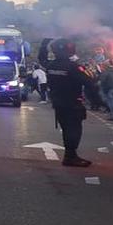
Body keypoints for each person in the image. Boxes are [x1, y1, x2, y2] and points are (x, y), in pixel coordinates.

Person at [38, 38, 92, 168]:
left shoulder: (51, 65)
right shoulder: (73, 67)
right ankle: (71, 156)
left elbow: (42, 59)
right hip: (73, 102)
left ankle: (70, 156)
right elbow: (89, 81)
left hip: (58, 102)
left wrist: (44, 45)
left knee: (66, 129)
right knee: (74, 130)